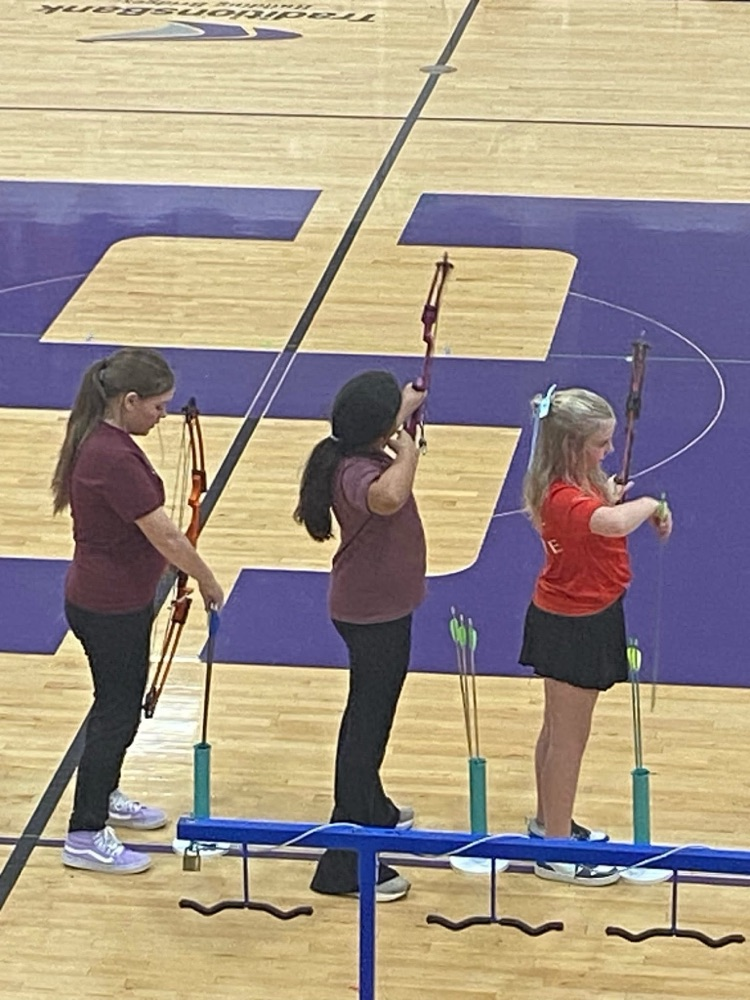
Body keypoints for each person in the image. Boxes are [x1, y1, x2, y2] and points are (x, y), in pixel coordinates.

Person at [51, 348, 224, 875]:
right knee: (115, 713)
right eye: (157, 406)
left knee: (118, 707)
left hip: (113, 600)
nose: (163, 415)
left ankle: (103, 795)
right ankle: (84, 831)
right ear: (128, 402)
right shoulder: (111, 458)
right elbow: (165, 532)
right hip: (109, 608)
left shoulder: (106, 442)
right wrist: (206, 578)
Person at [520, 386, 672, 886]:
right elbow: (607, 524)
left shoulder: (573, 485)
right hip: (575, 623)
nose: (608, 453)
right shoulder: (564, 498)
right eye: (599, 444)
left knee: (556, 730)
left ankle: (550, 824)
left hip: (578, 614)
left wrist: (609, 492)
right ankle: (557, 853)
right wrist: (648, 504)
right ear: (570, 446)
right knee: (568, 739)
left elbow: (601, 508)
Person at [294, 370, 427, 902]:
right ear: (378, 432)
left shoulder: (357, 447)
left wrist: (406, 405)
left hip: (382, 608)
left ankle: (373, 809)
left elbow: (381, 430)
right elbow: (390, 497)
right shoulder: (356, 472)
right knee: (366, 730)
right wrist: (410, 447)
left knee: (372, 717)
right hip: (372, 614)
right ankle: (343, 863)